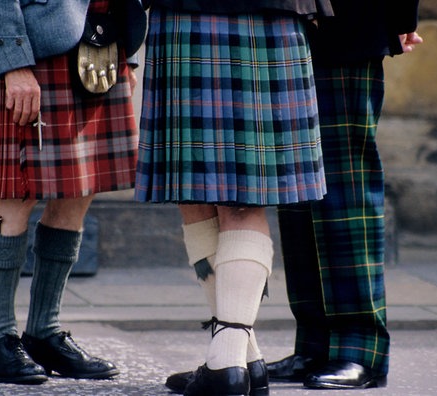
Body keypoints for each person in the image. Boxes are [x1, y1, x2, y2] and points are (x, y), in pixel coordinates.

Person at [134, 1, 332, 394]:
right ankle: (239, 356)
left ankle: (227, 362)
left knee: (221, 196)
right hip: (265, 16)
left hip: (190, 18)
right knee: (209, 196)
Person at [0, 0, 146, 385]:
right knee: (16, 193)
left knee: (79, 192)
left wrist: (125, 50)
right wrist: (12, 62)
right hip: (35, 51)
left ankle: (44, 331)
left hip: (102, 39)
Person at [266, 0, 423, 390]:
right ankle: (315, 345)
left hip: (350, 20)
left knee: (345, 189)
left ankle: (359, 349)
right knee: (297, 192)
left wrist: (401, 17)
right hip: (288, 25)